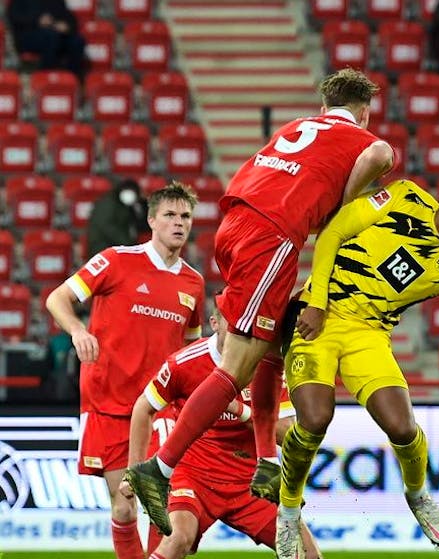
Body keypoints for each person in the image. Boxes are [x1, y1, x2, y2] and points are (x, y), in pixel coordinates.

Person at [126, 68, 395, 537]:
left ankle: (267, 462)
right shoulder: (370, 144)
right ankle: (160, 470)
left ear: (323, 107)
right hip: (270, 238)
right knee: (236, 368)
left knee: (272, 348)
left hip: (234, 225)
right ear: (366, 110)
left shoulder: (295, 129)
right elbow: (339, 213)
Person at [276, 173, 439, 557]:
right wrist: (317, 301)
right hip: (320, 317)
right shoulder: (402, 197)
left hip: (369, 336)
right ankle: (288, 513)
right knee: (314, 419)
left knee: (403, 427)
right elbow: (333, 232)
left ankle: (418, 495)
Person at [45, 183, 204, 559]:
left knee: (161, 508)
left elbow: (191, 348)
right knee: (123, 506)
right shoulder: (116, 260)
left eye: (185, 216)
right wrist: (78, 330)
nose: (178, 224)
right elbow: (58, 298)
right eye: (169, 215)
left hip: (158, 408)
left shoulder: (193, 283)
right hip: (108, 404)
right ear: (151, 220)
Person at [120, 302, 322, 559]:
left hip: (249, 482)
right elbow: (143, 408)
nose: (242, 331)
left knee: (306, 554)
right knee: (177, 541)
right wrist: (133, 470)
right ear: (215, 325)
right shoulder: (184, 363)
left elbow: (287, 435)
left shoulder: (267, 366)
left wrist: (242, 411)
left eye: (246, 326)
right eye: (235, 324)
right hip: (192, 476)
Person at [7, 0, 87, 82]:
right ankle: (46, 78)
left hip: (55, 34)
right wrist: (37, 21)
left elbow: (69, 17)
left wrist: (66, 25)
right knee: (51, 37)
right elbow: (14, 17)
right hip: (28, 37)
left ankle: (72, 79)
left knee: (77, 41)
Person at [86, 178, 149, 257]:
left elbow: (142, 224)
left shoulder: (126, 205)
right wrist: (128, 244)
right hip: (102, 248)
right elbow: (108, 227)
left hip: (116, 248)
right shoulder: (107, 204)